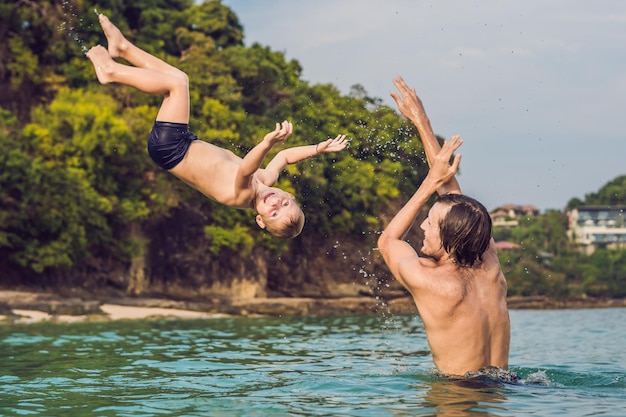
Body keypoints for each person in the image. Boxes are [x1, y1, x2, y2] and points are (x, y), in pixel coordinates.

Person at [86, 14, 347, 239]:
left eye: (273, 213)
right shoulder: (267, 179)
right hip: (183, 142)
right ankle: (122, 48)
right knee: (179, 78)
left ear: (260, 219)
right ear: (289, 194)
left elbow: (246, 168)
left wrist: (267, 142)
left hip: (171, 149)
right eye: (285, 203)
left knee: (176, 86)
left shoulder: (242, 196)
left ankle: (111, 71)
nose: (275, 203)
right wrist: (317, 148)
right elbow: (285, 157)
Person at [377, 76, 511, 378]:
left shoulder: (429, 280)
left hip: (457, 396)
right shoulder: (489, 265)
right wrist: (421, 121)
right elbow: (451, 191)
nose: (423, 224)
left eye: (432, 222)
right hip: (506, 390)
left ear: (451, 235)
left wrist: (427, 185)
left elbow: (387, 240)